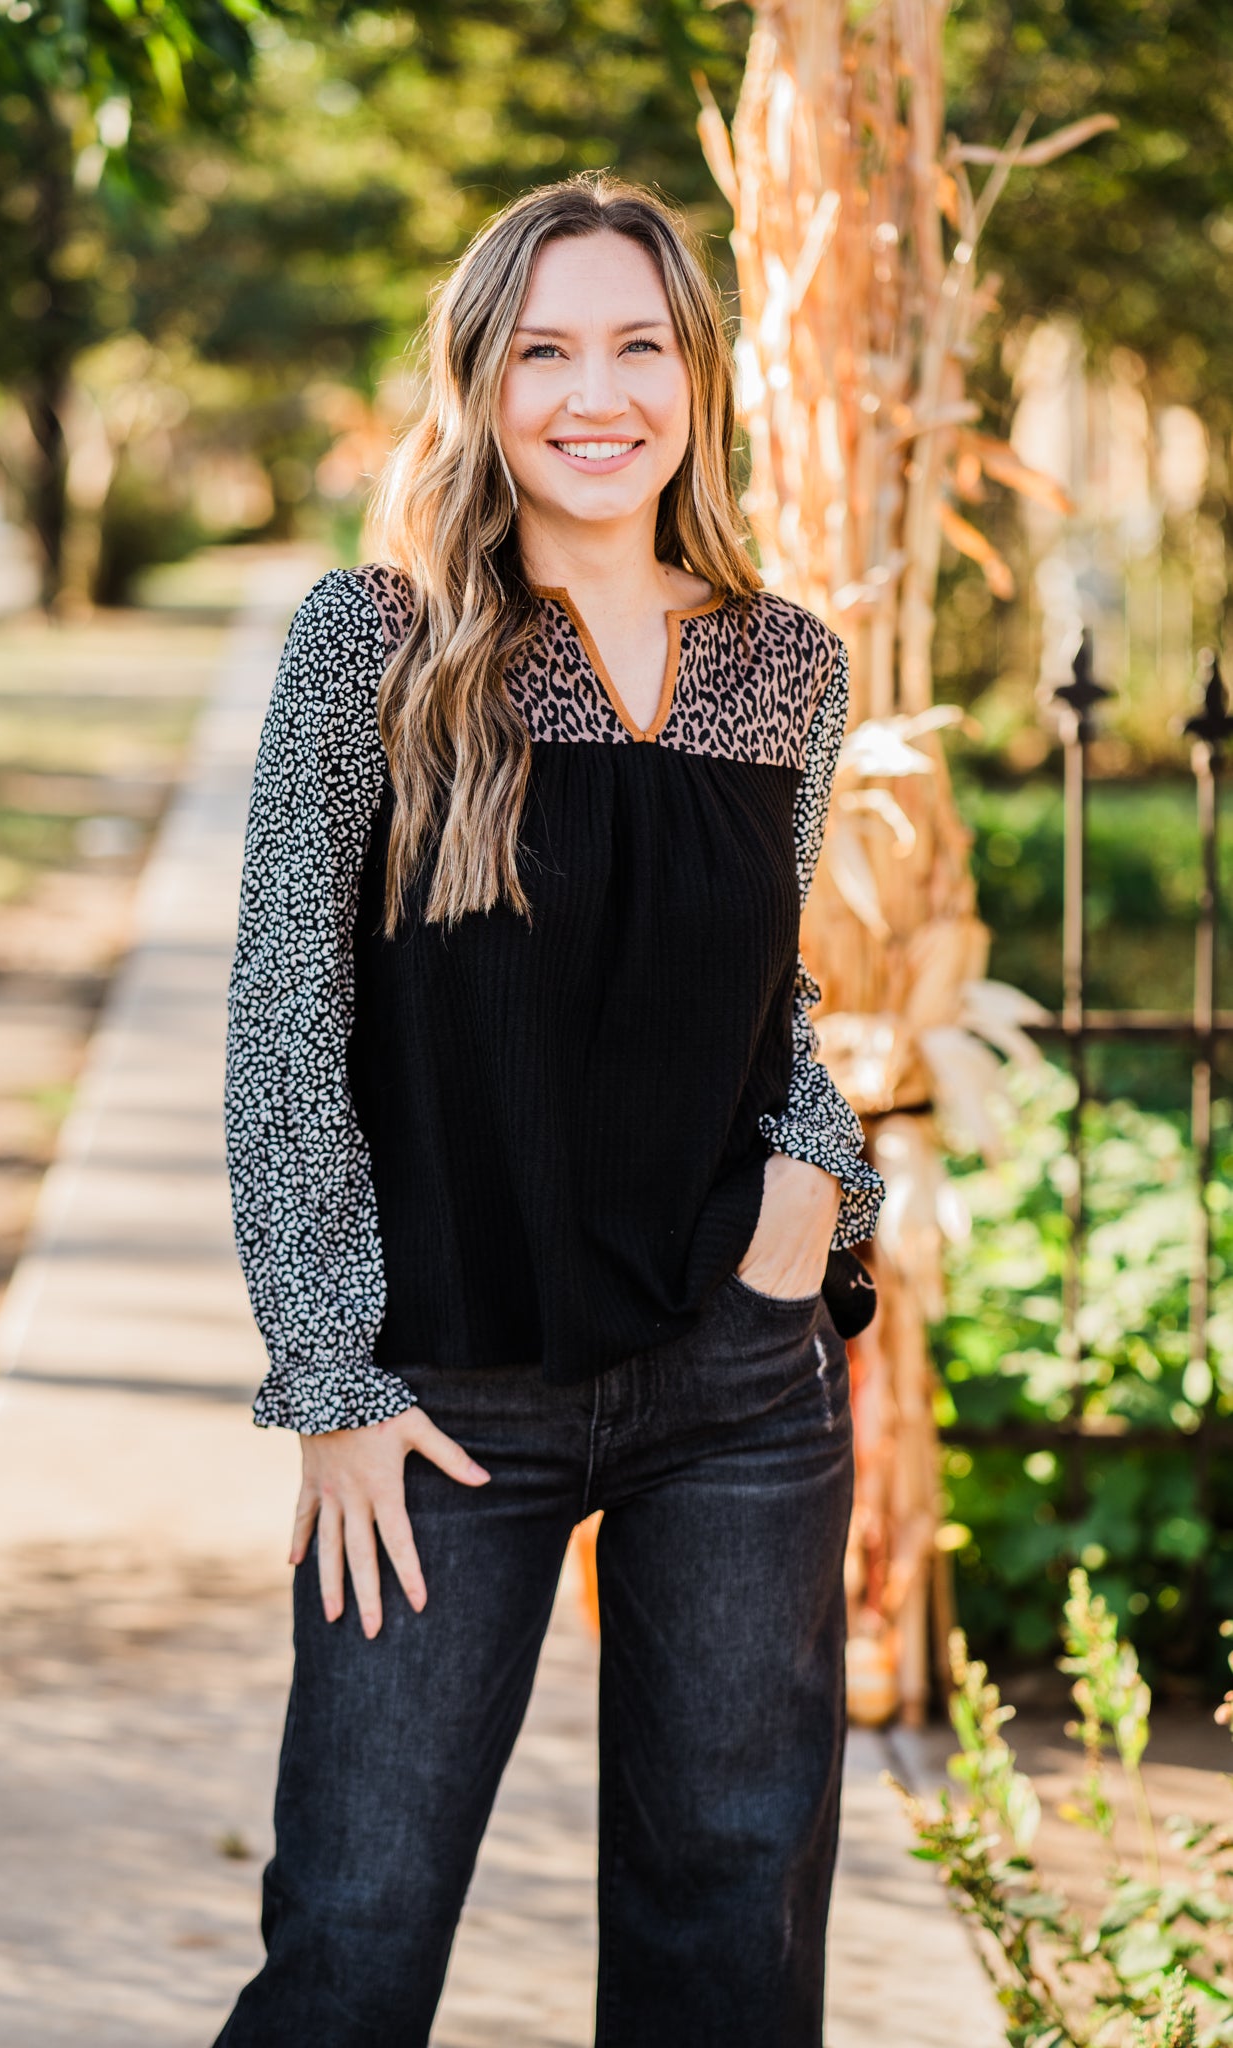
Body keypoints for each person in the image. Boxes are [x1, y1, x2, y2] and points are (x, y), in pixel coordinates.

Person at [214, 172, 885, 2048]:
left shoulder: (784, 664)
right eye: (545, 352)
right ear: (482, 386)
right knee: (350, 1934)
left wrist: (811, 1198)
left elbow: (772, 1002)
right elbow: (286, 1016)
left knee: (726, 1933)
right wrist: (330, 1377)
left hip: (736, 1392)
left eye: (638, 346)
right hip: (442, 1402)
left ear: (696, 380)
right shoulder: (376, 644)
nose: (597, 396)